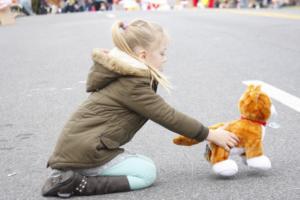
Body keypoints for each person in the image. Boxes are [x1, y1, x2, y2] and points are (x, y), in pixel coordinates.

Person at [41, 19, 239, 198]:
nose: (165, 58)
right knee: (146, 172)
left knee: (141, 162)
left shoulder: (128, 76)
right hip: (87, 152)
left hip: (80, 148)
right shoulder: (132, 84)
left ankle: (67, 174)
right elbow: (167, 116)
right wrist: (210, 135)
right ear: (143, 55)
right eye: (162, 53)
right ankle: (76, 183)